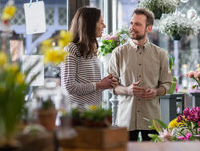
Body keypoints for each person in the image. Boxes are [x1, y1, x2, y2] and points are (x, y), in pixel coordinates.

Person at [107, 8, 172, 141]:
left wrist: (156, 92)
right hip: (126, 120)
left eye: (137, 24)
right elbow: (111, 86)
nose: (132, 27)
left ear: (149, 28)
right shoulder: (118, 53)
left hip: (151, 119)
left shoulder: (160, 54)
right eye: (131, 23)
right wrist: (127, 90)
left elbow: (167, 84)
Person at [61, 7, 117, 109]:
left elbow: (90, 85)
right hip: (78, 114)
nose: (104, 26)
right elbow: (69, 87)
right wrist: (99, 85)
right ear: (90, 25)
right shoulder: (71, 48)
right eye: (101, 23)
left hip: (93, 112)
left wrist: (105, 84)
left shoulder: (93, 48)